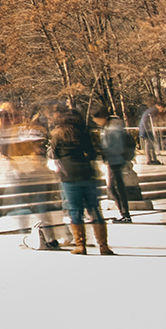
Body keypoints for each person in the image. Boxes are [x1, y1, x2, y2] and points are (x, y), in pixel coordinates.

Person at [49, 109, 111, 255]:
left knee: (75, 210)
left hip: (69, 175)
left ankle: (80, 245)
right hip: (87, 173)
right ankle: (103, 245)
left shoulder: (57, 134)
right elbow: (92, 153)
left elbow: (53, 154)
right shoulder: (84, 134)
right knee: (94, 209)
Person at [95, 109, 133, 224]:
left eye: (97, 120)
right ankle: (124, 214)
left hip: (115, 160)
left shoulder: (112, 129)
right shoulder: (112, 127)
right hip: (116, 160)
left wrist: (103, 151)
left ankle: (125, 214)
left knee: (114, 187)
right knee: (116, 187)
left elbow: (114, 147)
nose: (96, 122)